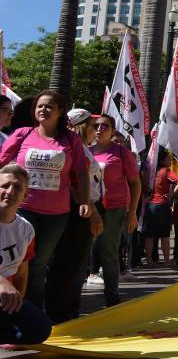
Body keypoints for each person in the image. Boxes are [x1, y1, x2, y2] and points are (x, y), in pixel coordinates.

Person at [0, 90, 90, 311]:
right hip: (22, 209)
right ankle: (13, 310)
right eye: (40, 106)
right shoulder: (22, 134)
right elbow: (2, 164)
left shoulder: (71, 139)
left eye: (49, 106)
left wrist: (85, 201)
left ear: (60, 112)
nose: (43, 109)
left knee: (39, 265)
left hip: (55, 214)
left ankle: (32, 312)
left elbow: (80, 172)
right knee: (18, 263)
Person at [50, 109, 103, 323]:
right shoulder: (74, 148)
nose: (97, 130)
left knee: (78, 263)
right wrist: (92, 212)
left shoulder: (82, 148)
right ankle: (63, 315)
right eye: (93, 126)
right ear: (81, 126)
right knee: (72, 264)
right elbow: (76, 184)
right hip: (80, 209)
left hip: (87, 207)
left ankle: (70, 312)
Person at [88, 113, 140, 308]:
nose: (100, 129)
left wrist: (132, 212)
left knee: (108, 251)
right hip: (90, 207)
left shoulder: (120, 152)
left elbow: (136, 183)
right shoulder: (85, 151)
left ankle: (112, 297)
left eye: (105, 126)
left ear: (112, 130)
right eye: (97, 126)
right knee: (84, 251)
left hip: (114, 209)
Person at [0, 164, 53, 345]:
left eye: (17, 187)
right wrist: (2, 283)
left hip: (4, 300)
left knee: (41, 329)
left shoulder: (26, 229)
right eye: (5, 186)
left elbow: (22, 271)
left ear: (25, 195)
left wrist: (17, 304)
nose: (10, 191)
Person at [142, 152, 174, 265]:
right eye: (168, 159)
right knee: (165, 235)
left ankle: (149, 260)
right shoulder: (166, 171)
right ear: (162, 161)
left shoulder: (151, 172)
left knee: (149, 235)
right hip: (162, 206)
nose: (170, 161)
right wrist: (172, 193)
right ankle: (166, 260)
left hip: (150, 206)